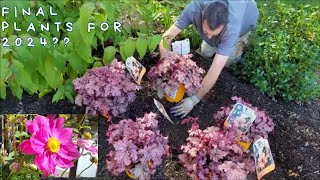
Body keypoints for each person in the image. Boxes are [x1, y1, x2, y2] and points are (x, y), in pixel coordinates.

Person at [157, 0, 259, 118]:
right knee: (206, 52)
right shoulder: (193, 9)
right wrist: (164, 68)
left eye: (214, 33)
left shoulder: (232, 28)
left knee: (228, 61)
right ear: (202, 17)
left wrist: (195, 98)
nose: (209, 36)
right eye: (205, 31)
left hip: (246, 20)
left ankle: (233, 53)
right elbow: (166, 37)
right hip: (218, 27)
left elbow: (216, 68)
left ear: (224, 25)